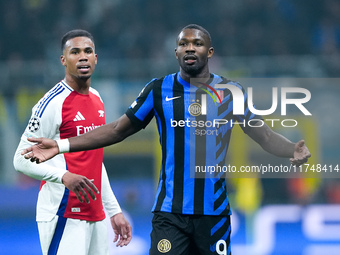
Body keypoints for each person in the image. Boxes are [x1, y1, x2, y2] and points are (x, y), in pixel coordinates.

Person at [21, 24, 311, 255]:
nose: (190, 47)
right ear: (175, 52)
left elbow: (263, 134)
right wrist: (61, 145)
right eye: (184, 43)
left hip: (214, 214)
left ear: (209, 52)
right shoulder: (158, 90)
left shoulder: (229, 92)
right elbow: (118, 130)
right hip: (170, 214)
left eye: (197, 43)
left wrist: (291, 149)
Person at [13, 29, 132, 255]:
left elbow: (95, 161)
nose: (83, 57)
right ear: (63, 60)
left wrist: (113, 210)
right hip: (63, 211)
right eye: (75, 52)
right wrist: (64, 177)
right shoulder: (51, 103)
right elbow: (20, 160)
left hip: (95, 214)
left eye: (88, 51)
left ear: (96, 58)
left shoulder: (97, 99)